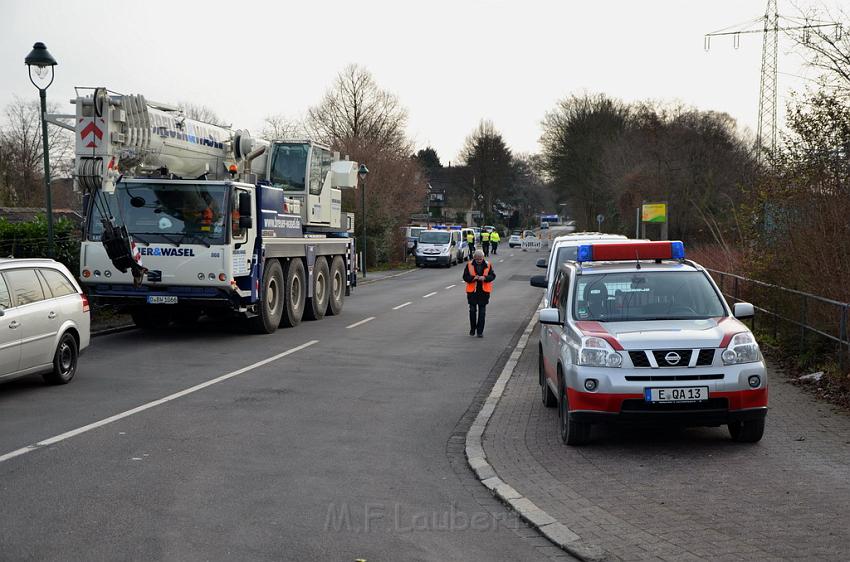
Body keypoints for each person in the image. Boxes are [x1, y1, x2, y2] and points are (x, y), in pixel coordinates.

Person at [462, 249, 495, 337]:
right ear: (474, 258)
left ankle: (480, 332)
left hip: (484, 292)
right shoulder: (469, 265)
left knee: (482, 312)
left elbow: (492, 276)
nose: (479, 261)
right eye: (477, 259)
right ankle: (473, 329)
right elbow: (465, 277)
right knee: (472, 311)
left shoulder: (488, 264)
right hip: (472, 292)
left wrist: (485, 278)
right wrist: (473, 278)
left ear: (483, 258)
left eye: (480, 259)